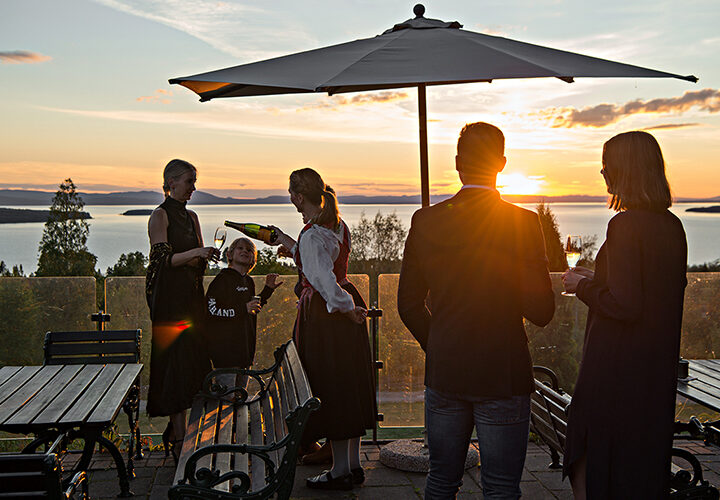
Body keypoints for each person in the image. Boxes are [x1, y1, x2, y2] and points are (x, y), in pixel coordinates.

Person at [398, 122, 555, 500]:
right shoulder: (523, 223)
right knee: (501, 488)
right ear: (501, 163)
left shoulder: (427, 220)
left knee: (440, 480)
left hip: (447, 368)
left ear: (457, 163)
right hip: (504, 371)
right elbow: (541, 310)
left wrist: (438, 342)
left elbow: (407, 304)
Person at [562, 131, 687, 499]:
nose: (602, 174)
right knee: (638, 467)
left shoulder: (625, 225)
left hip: (615, 372)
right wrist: (595, 277)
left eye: (607, 166)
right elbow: (650, 292)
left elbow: (626, 305)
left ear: (625, 170)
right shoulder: (671, 226)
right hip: (653, 372)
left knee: (586, 451)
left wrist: (581, 287)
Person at [269, 168, 376, 491]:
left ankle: (341, 471)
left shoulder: (313, 234)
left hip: (329, 315)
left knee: (333, 387)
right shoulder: (337, 225)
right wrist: (296, 249)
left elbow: (322, 281)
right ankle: (351, 465)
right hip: (345, 300)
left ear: (298, 197)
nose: (291, 199)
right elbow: (326, 265)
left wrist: (346, 309)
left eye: (291, 194)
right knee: (349, 384)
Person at [145, 159, 216, 460]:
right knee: (174, 367)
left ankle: (179, 433)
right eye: (189, 181)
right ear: (171, 182)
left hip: (191, 301)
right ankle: (181, 439)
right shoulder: (159, 216)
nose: (193, 188)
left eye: (194, 182)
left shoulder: (193, 217)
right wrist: (196, 253)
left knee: (194, 364)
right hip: (170, 306)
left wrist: (204, 256)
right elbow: (162, 261)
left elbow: (191, 259)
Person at [204, 237, 282, 390]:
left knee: (240, 401)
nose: (245, 251)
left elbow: (252, 309)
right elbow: (211, 311)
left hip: (245, 354)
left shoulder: (249, 282)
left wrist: (267, 290)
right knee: (225, 402)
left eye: (249, 250)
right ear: (230, 255)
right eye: (240, 248)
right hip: (225, 355)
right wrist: (242, 309)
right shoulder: (221, 280)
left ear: (253, 258)